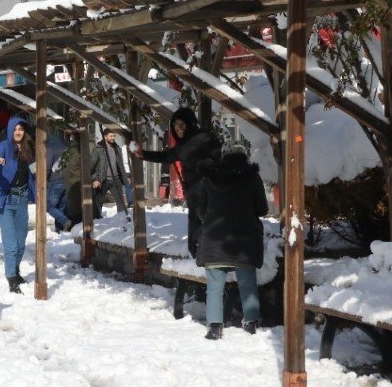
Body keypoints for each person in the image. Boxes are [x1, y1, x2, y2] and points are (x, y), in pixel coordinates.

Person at [195, 146, 268, 339]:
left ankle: (215, 327)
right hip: (244, 241)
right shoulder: (252, 177)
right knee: (248, 286)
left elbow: (200, 211)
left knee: (214, 287)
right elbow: (262, 209)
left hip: (214, 240)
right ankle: (251, 323)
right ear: (244, 156)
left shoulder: (209, 177)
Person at [132, 107, 221, 256]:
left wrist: (206, 174)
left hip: (203, 194)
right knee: (200, 233)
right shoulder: (188, 143)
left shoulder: (200, 140)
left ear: (190, 124)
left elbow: (216, 157)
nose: (178, 129)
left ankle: (205, 260)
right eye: (175, 126)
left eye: (182, 125)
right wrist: (143, 154)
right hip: (197, 194)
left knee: (200, 234)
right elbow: (167, 156)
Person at [0, 116, 35, 294]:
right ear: (11, 130)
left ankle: (16, 270)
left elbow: (33, 172)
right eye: (15, 129)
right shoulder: (4, 146)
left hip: (22, 201)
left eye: (21, 129)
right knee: (11, 245)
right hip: (6, 201)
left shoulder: (28, 148)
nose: (18, 132)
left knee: (21, 244)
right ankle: (11, 278)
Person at [90, 128, 131, 221]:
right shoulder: (98, 149)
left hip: (115, 179)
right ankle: (97, 221)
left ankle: (121, 219)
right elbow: (91, 166)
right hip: (102, 180)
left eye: (114, 136)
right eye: (111, 136)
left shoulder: (117, 148)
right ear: (105, 137)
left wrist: (126, 177)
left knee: (120, 201)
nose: (113, 138)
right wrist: (94, 180)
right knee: (98, 202)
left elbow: (121, 165)